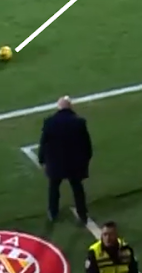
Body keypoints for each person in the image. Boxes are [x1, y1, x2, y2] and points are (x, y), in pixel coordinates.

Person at [38, 96, 92, 224]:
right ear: (70, 107)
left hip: (56, 164)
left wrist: (42, 159)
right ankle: (82, 214)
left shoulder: (49, 122)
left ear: (59, 107)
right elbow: (86, 145)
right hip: (74, 164)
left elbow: (44, 142)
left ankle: (53, 212)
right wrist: (85, 161)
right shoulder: (79, 122)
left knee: (54, 188)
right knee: (77, 188)